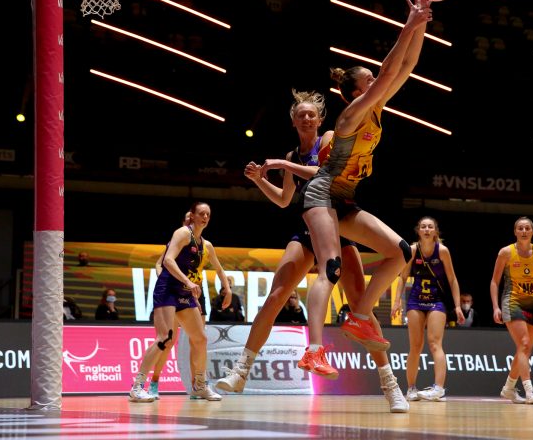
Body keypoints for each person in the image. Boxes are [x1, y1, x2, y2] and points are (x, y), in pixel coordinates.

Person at [215, 90, 409, 413]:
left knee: (360, 303)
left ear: (319, 120)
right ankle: (241, 371)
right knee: (277, 295)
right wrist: (258, 180)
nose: (306, 118)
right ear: (293, 121)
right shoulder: (292, 156)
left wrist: (280, 163)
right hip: (309, 229)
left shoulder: (330, 140)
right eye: (300, 115)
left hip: (339, 222)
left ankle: (390, 385)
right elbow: (283, 199)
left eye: (311, 114)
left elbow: (323, 175)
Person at [297, 0, 432, 367]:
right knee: (331, 268)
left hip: (345, 200)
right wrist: (408, 24)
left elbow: (406, 65)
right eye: (369, 79)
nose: (378, 79)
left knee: (402, 252)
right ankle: (314, 351)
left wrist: (420, 24)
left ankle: (358, 317)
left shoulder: (375, 109)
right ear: (357, 91)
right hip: (320, 197)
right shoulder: (352, 114)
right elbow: (389, 71)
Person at [128, 201, 231, 402]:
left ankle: (200, 386)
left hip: (186, 292)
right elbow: (167, 261)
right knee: (164, 338)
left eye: (208, 214)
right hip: (168, 289)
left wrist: (227, 289)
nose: (205, 217)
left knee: (200, 338)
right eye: (201, 213)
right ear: (191, 215)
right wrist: (188, 282)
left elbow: (219, 269)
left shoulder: (205, 244)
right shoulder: (182, 233)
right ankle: (138, 387)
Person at [392, 216, 464, 402]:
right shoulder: (413, 250)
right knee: (415, 346)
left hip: (436, 301)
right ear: (418, 230)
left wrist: (457, 306)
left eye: (430, 227)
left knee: (435, 343)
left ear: (435, 231)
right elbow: (402, 277)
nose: (426, 229)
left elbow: (452, 279)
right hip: (415, 300)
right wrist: (397, 301)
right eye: (423, 226)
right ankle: (411, 388)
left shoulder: (443, 251)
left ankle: (439, 388)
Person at [490, 216, 533, 405]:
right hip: (512, 301)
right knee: (524, 344)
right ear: (515, 232)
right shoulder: (506, 253)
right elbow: (494, 282)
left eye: (527, 228)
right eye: (520, 228)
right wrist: (495, 307)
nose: (524, 231)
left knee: (525, 349)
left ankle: (508, 388)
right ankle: (529, 390)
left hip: (531, 303)